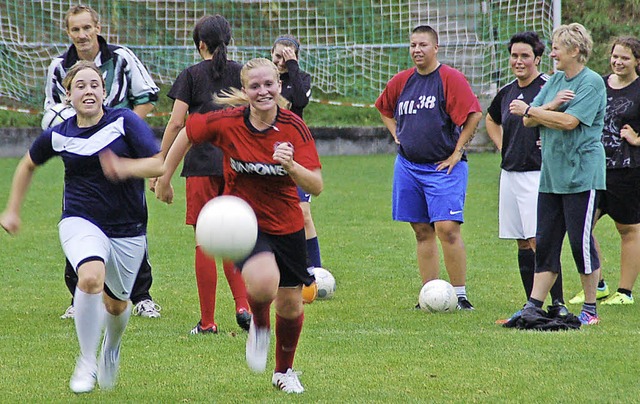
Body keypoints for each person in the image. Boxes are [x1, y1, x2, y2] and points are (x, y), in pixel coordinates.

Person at [158, 58, 322, 394]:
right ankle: (259, 324)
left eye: (269, 85)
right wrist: (164, 177)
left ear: (279, 86)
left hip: (287, 223)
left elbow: (316, 185)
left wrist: (291, 166)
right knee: (263, 284)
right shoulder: (229, 122)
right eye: (255, 86)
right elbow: (188, 131)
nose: (263, 91)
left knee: (291, 305)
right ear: (245, 91)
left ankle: (284, 371)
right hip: (244, 223)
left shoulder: (294, 127)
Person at [1, 61, 164, 393]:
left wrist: (124, 167)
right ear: (68, 95)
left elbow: (159, 163)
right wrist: (12, 210)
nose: (88, 91)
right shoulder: (59, 135)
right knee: (90, 277)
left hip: (128, 227)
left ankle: (110, 350)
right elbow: (27, 164)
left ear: (104, 92)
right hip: (79, 220)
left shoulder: (124, 122)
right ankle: (86, 360)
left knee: (117, 305)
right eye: (80, 86)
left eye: (94, 85)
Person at [44, 4, 162, 319]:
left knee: (132, 220)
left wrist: (122, 131)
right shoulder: (59, 67)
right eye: (75, 30)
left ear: (98, 27)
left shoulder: (121, 58)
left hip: (122, 153)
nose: (82, 35)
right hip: (80, 153)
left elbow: (147, 96)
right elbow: (51, 109)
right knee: (77, 219)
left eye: (87, 28)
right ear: (67, 33)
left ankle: (142, 296)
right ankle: (79, 297)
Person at [375, 25, 483, 310]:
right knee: (422, 230)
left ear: (435, 48)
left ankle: (459, 295)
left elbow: (474, 115)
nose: (417, 50)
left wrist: (457, 152)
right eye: (412, 45)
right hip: (408, 166)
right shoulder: (401, 81)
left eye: (422, 45)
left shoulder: (449, 79)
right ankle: (430, 295)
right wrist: (396, 134)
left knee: (447, 228)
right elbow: (383, 108)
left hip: (442, 168)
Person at [155, 15, 251, 334]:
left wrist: (161, 163)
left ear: (200, 45)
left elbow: (177, 123)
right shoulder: (242, 73)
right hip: (237, 165)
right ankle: (243, 305)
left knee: (205, 242)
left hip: (200, 166)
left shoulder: (191, 75)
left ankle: (208, 322)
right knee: (234, 239)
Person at [509, 23, 606, 325]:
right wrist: (544, 108)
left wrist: (533, 111)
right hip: (552, 176)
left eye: (556, 49)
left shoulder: (591, 83)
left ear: (575, 50)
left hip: (581, 176)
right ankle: (534, 305)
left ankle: (590, 308)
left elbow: (568, 122)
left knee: (580, 243)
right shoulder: (555, 82)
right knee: (547, 241)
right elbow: (529, 120)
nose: (551, 53)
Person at [485, 32, 567, 324]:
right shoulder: (507, 91)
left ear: (538, 59)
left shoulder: (548, 87)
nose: (518, 61)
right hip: (510, 173)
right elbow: (491, 119)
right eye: (514, 56)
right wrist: (501, 145)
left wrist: (553, 139)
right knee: (521, 241)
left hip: (538, 175)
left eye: (525, 56)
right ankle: (531, 304)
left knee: (539, 241)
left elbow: (568, 121)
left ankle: (557, 304)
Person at [570, 36, 640, 306]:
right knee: (581, 227)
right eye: (615, 56)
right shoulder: (597, 84)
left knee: (628, 230)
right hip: (593, 168)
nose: (618, 62)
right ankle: (597, 284)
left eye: (625, 57)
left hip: (627, 171)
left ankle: (625, 292)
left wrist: (637, 139)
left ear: (636, 61)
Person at [271, 34, 323, 270]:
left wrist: (293, 67)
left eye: (287, 57)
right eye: (277, 56)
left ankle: (314, 270)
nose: (281, 62)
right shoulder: (264, 79)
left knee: (302, 213)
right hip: (267, 151)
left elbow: (300, 102)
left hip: (296, 152)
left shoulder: (300, 78)